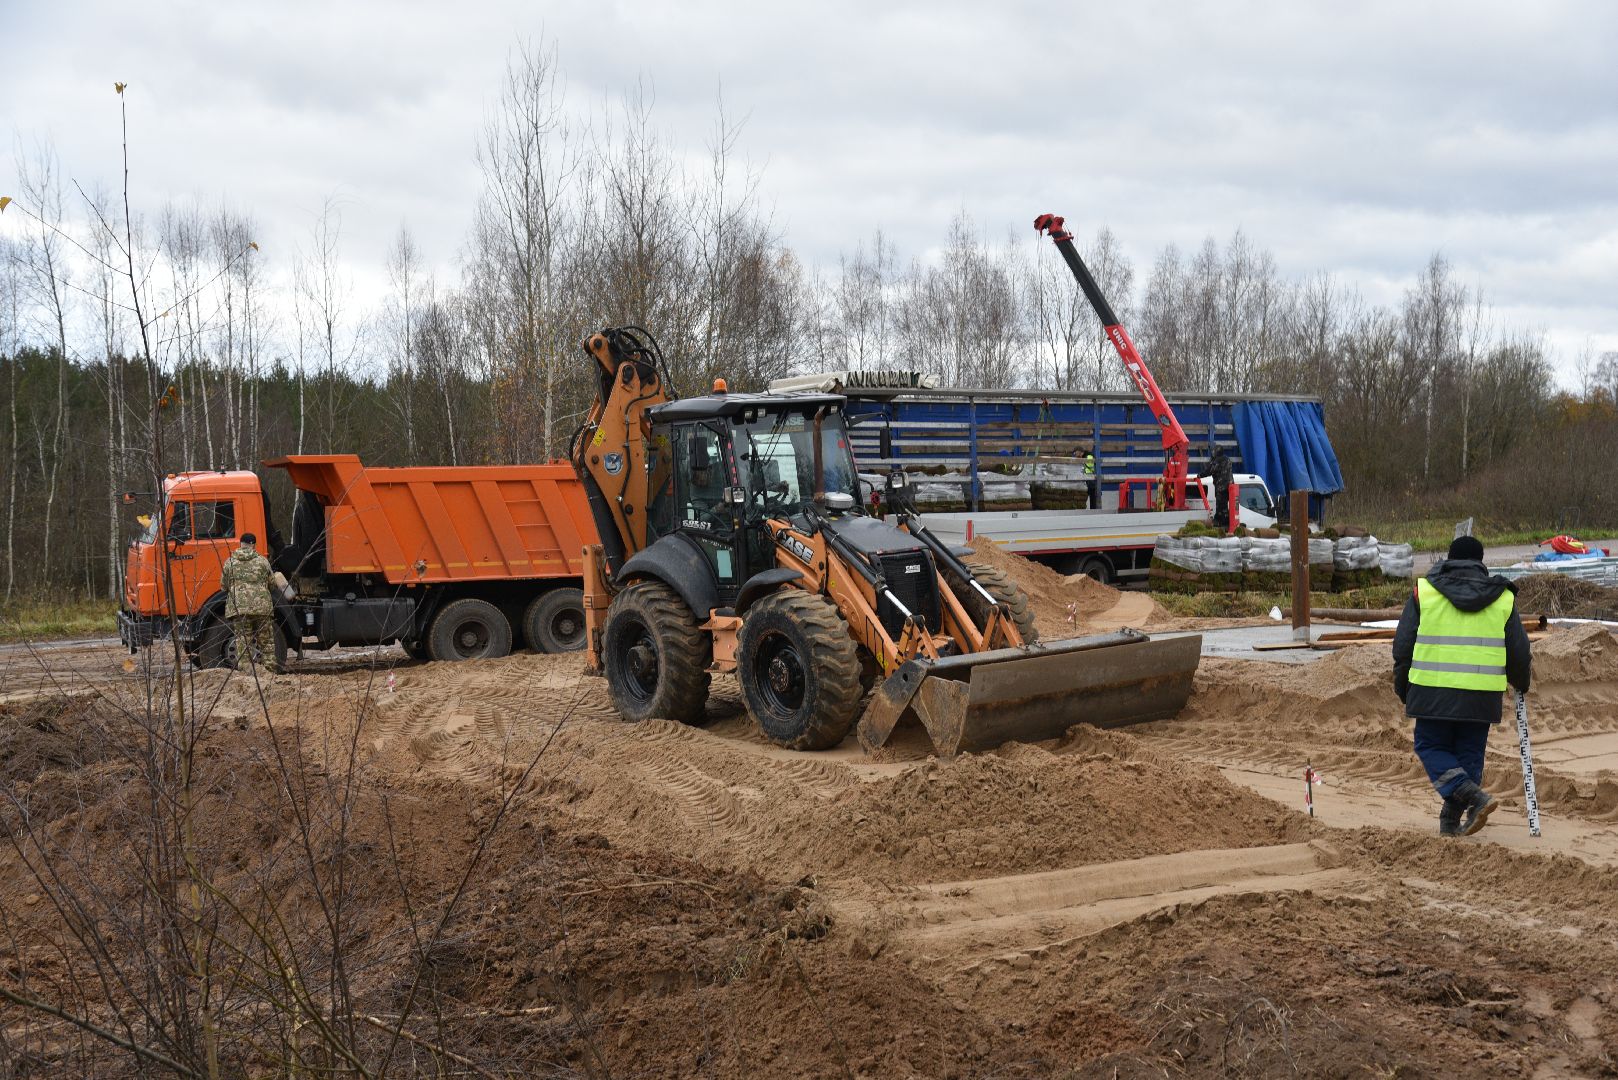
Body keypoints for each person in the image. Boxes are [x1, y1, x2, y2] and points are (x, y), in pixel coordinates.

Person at [1392, 535, 1531, 836]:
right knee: (1468, 756)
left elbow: (1403, 645)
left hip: (1432, 690)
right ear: (1481, 563)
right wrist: (1522, 682)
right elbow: (1519, 652)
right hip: (1481, 695)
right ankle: (1451, 823)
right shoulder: (1502, 597)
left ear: (1448, 559)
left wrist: (1402, 685)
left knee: (1430, 746)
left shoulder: (1425, 591)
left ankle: (1475, 798)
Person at [220, 532, 279, 675]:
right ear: (253, 544)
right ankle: (270, 673)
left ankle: (246, 675)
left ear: (241, 544)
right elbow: (273, 585)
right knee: (267, 642)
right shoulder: (262, 561)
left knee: (243, 641)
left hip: (239, 608)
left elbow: (223, 586)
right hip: (262, 608)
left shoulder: (230, 562)